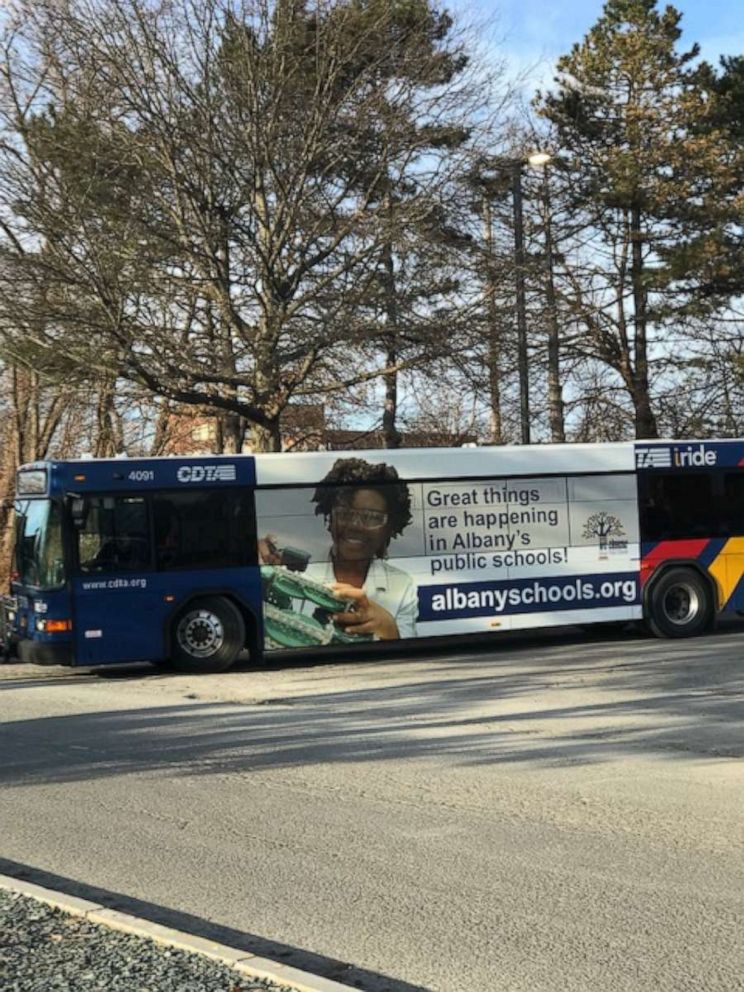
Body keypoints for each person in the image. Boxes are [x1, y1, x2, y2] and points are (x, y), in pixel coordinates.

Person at [259, 457, 418, 640]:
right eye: (345, 514)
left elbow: (407, 658)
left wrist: (388, 628)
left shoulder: (402, 585)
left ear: (389, 528)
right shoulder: (289, 571)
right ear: (330, 519)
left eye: (372, 517)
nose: (355, 526)